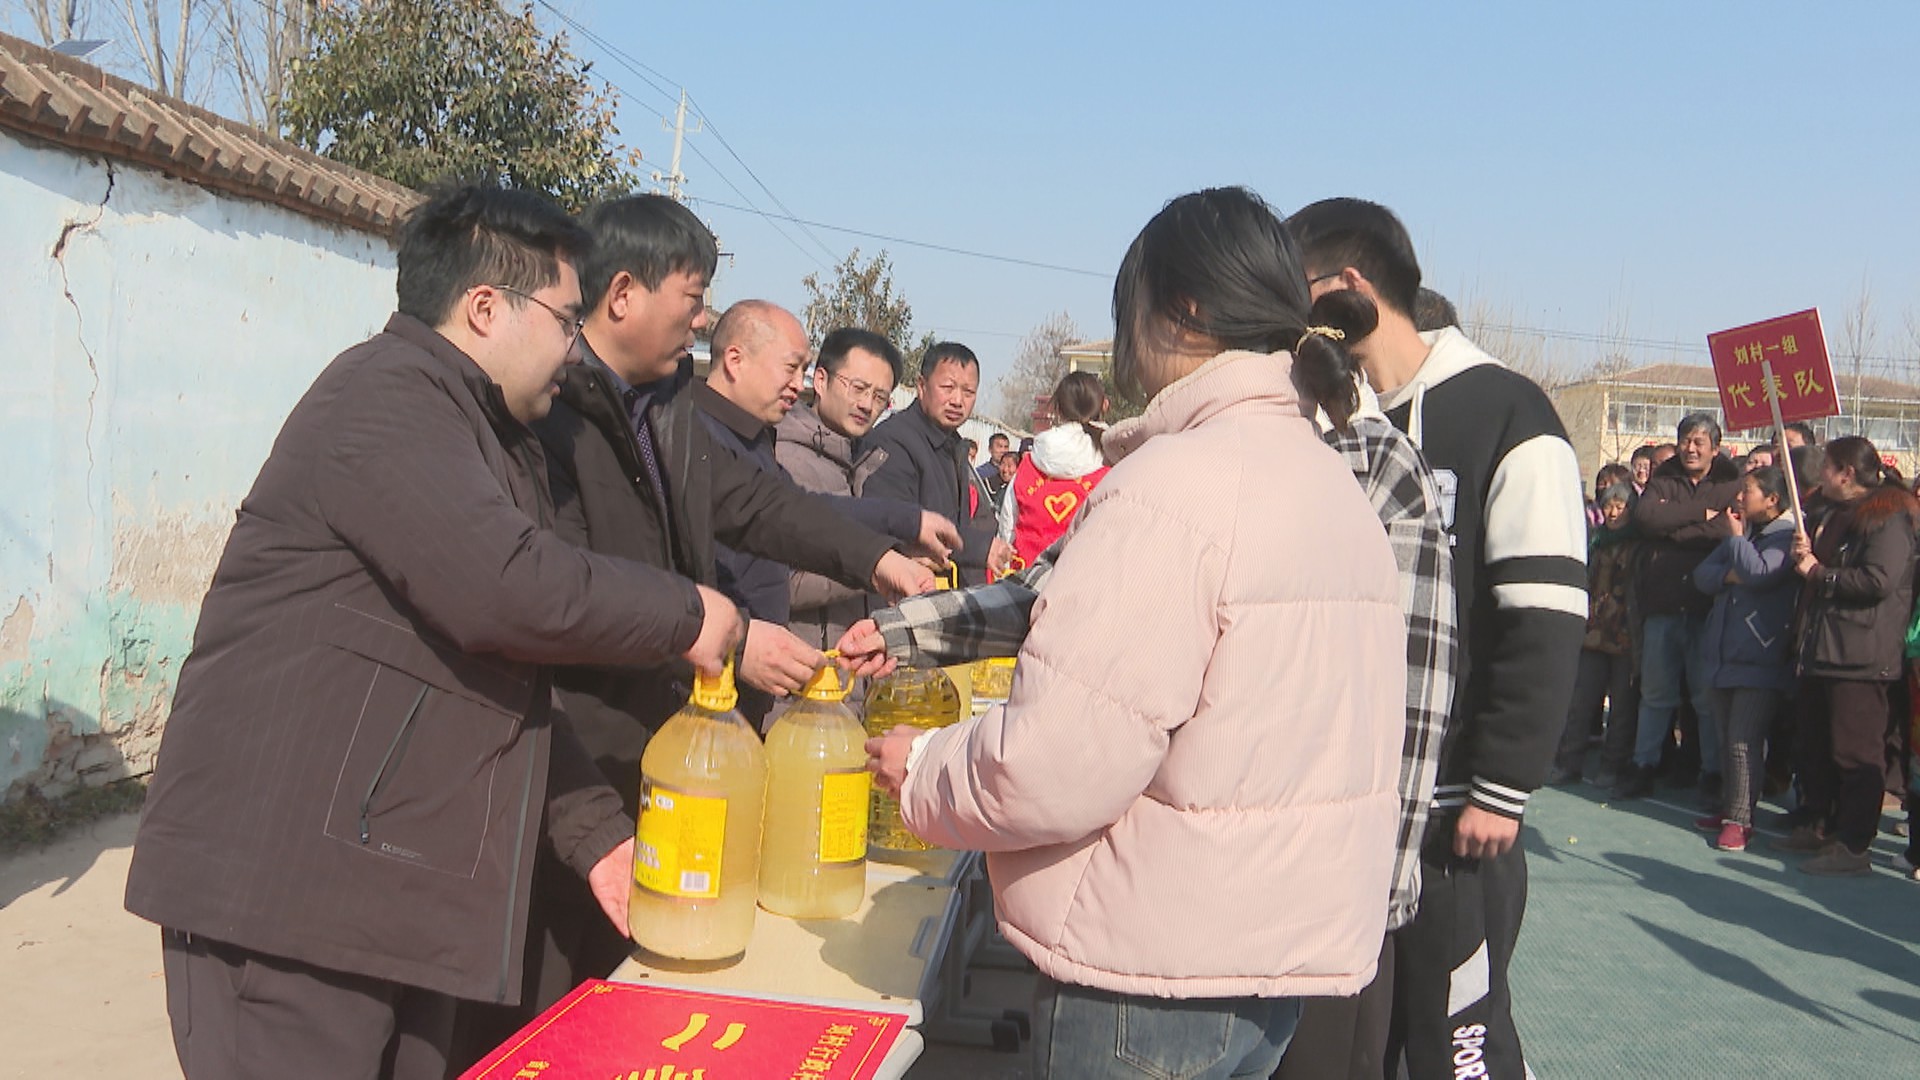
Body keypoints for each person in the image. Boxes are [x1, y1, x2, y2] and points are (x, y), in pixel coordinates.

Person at [122, 184, 752, 1080]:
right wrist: (687, 612)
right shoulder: (384, 396)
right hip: (290, 904)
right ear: (485, 307)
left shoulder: (491, 435)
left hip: (392, 905)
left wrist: (597, 839)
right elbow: (507, 589)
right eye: (565, 320)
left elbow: (503, 679)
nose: (574, 348)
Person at [865, 187, 1407, 1078]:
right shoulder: (1327, 481)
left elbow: (1060, 760)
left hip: (1153, 971)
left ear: (1181, 313)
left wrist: (926, 769)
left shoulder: (1173, 486)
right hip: (1271, 957)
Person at [474, 197, 937, 1056]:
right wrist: (724, 636)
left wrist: (878, 560)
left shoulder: (669, 405)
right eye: (693, 297)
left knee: (642, 993)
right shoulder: (549, 421)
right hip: (569, 750)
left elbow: (764, 507)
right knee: (547, 1008)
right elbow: (566, 592)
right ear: (622, 294)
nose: (702, 316)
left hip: (663, 748)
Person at [1289, 197, 1587, 1080]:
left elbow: (1545, 619)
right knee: (1359, 1046)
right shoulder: (1329, 421)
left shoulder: (1509, 415)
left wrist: (1500, 786)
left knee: (1458, 1045)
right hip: (1350, 808)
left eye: (1294, 293)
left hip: (1457, 814)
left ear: (1348, 288)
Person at [693, 300, 949, 720]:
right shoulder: (695, 436)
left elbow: (806, 511)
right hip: (717, 688)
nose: (799, 384)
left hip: (759, 688)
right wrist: (737, 642)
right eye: (790, 368)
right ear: (735, 360)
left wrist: (895, 538)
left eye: (880, 396)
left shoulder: (755, 441)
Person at [1779, 437, 1918, 875]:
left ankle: (1855, 844)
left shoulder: (1889, 518)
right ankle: (1822, 825)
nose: (1820, 476)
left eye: (1827, 468)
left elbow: (1878, 580)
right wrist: (1808, 560)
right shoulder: (1837, 515)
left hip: (1862, 654)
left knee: (1857, 754)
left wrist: (1819, 574)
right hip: (1825, 647)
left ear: (1847, 473)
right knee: (1817, 745)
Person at [1620, 413, 1742, 800]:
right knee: (1656, 693)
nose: (1690, 448)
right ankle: (1644, 764)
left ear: (1715, 448)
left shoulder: (1730, 481)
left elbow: (1726, 528)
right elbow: (1647, 518)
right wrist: (1697, 516)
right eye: (1686, 440)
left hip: (1708, 607)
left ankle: (1711, 771)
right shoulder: (1665, 476)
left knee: (1705, 698)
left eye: (1699, 442)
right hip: (1664, 602)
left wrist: (1675, 529)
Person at [778, 328, 916, 650]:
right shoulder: (784, 459)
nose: (867, 404)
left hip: (850, 681)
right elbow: (780, 583)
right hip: (800, 681)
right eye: (858, 388)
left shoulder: (869, 466)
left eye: (880, 396)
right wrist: (875, 566)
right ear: (821, 381)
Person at [1691, 465, 1798, 852]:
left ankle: (1741, 819)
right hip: (1724, 650)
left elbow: (1759, 572)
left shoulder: (1785, 535)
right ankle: (1729, 806)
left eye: (1749, 490)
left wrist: (1736, 542)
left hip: (1761, 652)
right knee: (1724, 737)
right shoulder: (1746, 534)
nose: (1740, 497)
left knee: (1743, 740)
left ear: (1772, 499)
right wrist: (1729, 572)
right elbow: (1703, 575)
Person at [865, 342, 1010, 584]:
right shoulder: (894, 441)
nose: (957, 400)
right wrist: (977, 548)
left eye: (968, 392)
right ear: (921, 386)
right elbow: (889, 524)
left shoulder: (954, 446)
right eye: (948, 387)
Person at [1549, 481, 1640, 788]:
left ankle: (1613, 765)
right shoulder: (1596, 541)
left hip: (1625, 635)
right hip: (1593, 631)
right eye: (1608, 505)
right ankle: (1568, 762)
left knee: (1621, 708)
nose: (1613, 512)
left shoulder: (1638, 544)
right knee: (1581, 701)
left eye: (1621, 506)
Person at [997, 370, 1111, 568]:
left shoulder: (1030, 464)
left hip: (1026, 584)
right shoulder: (1112, 465)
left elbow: (1007, 531)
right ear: (1104, 405)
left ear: (1057, 409)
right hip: (1085, 580)